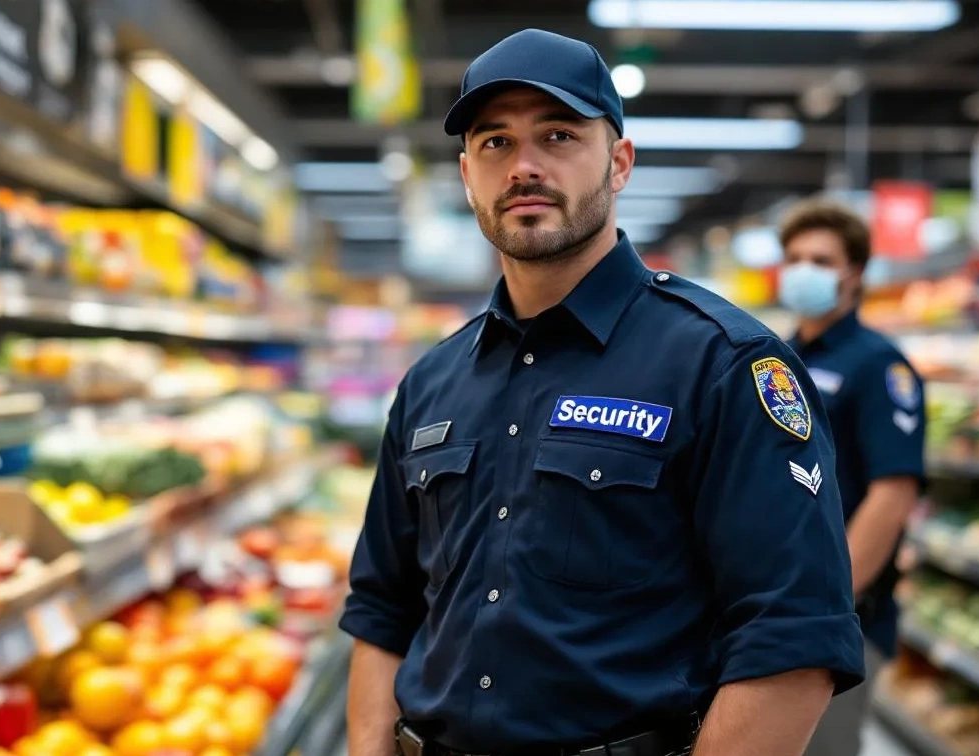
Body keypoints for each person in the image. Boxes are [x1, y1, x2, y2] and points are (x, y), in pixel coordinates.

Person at [339, 28, 866, 756]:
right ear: (467, 174)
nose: (524, 165)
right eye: (495, 143)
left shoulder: (723, 363)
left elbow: (794, 633)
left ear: (619, 163)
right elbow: (381, 607)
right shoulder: (433, 382)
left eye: (558, 135)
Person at [779, 201, 926, 756]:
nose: (802, 270)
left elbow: (894, 493)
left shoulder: (878, 366)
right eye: (793, 258)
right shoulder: (776, 356)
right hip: (779, 607)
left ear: (855, 272)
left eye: (820, 259)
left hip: (841, 618)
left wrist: (830, 602)